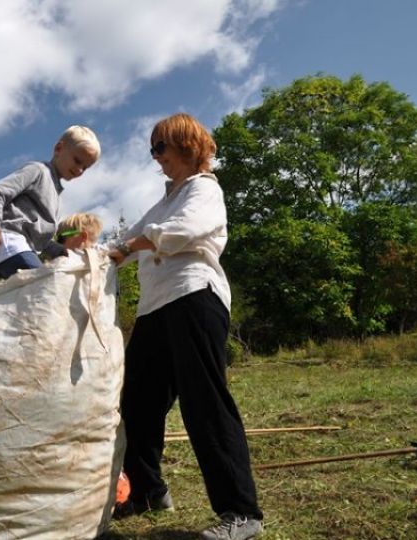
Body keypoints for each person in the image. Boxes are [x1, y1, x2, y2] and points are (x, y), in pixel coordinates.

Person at [107, 113, 263, 540]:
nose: (157, 158)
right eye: (153, 150)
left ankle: (241, 513)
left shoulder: (203, 189)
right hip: (155, 309)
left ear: (188, 147)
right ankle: (147, 492)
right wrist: (87, 255)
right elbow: (122, 244)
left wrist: (134, 244)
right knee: (137, 403)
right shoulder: (162, 202)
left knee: (204, 402)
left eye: (162, 148)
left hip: (195, 296)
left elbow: (186, 230)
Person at [0, 125, 101, 278]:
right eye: (77, 161)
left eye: (85, 168)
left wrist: (61, 252)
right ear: (58, 149)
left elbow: (42, 239)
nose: (79, 170)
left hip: (25, 248)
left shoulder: (57, 197)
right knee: (46, 282)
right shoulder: (38, 171)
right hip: (10, 241)